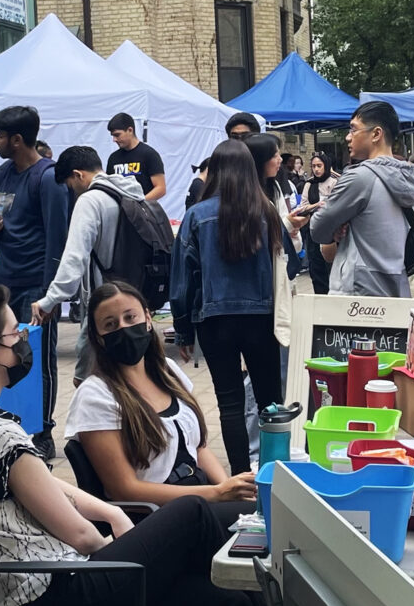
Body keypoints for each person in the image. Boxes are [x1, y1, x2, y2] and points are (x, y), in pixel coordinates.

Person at [0, 284, 269, 606]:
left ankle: (249, 594)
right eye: (15, 333)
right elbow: (83, 536)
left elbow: (45, 484)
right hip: (59, 598)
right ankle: (263, 581)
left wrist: (113, 513)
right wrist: (130, 554)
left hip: (48, 594)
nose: (23, 339)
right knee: (193, 514)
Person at [65, 282, 257, 528]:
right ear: (99, 338)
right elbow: (124, 490)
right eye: (110, 325)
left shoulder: (167, 371)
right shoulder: (95, 395)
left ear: (147, 318)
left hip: (198, 501)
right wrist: (217, 493)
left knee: (262, 512)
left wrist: (232, 491)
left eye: (130, 317)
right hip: (155, 518)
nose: (123, 328)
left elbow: (198, 448)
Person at [170, 139, 291, 474]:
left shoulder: (196, 216)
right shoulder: (266, 212)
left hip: (214, 320)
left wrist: (182, 330)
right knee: (270, 400)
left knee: (230, 402)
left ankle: (240, 476)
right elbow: (289, 266)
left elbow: (182, 280)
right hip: (261, 319)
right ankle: (272, 470)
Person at [0, 105, 68, 459]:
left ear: (17, 139)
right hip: (5, 280)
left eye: (0, 136)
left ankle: (43, 431)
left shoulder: (48, 177)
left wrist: (49, 296)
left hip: (37, 284)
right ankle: (4, 423)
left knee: (36, 357)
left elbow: (57, 238)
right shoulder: (3, 173)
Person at [29, 146, 144, 387]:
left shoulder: (91, 200)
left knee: (86, 382)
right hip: (135, 299)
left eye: (71, 185)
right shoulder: (131, 192)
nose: (73, 192)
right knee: (131, 376)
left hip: (104, 302)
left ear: (78, 174)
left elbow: (74, 257)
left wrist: (49, 300)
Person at [309, 102, 414, 297]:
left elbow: (317, 228)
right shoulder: (407, 177)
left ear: (376, 134)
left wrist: (334, 229)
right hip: (396, 287)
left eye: (353, 129)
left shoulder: (359, 178)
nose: (348, 137)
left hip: (358, 296)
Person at [301, 152, 340, 294]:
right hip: (314, 228)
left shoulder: (336, 182)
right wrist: (317, 205)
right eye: (313, 166)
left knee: (333, 265)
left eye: (319, 166)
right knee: (316, 265)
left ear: (326, 166)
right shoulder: (309, 184)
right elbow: (302, 207)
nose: (316, 169)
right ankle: (320, 295)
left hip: (333, 230)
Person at [105, 112, 166, 201]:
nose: (114, 140)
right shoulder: (113, 158)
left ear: (130, 130)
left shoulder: (149, 154)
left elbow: (161, 188)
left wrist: (140, 204)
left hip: (143, 211)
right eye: (113, 136)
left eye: (117, 135)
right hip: (119, 211)